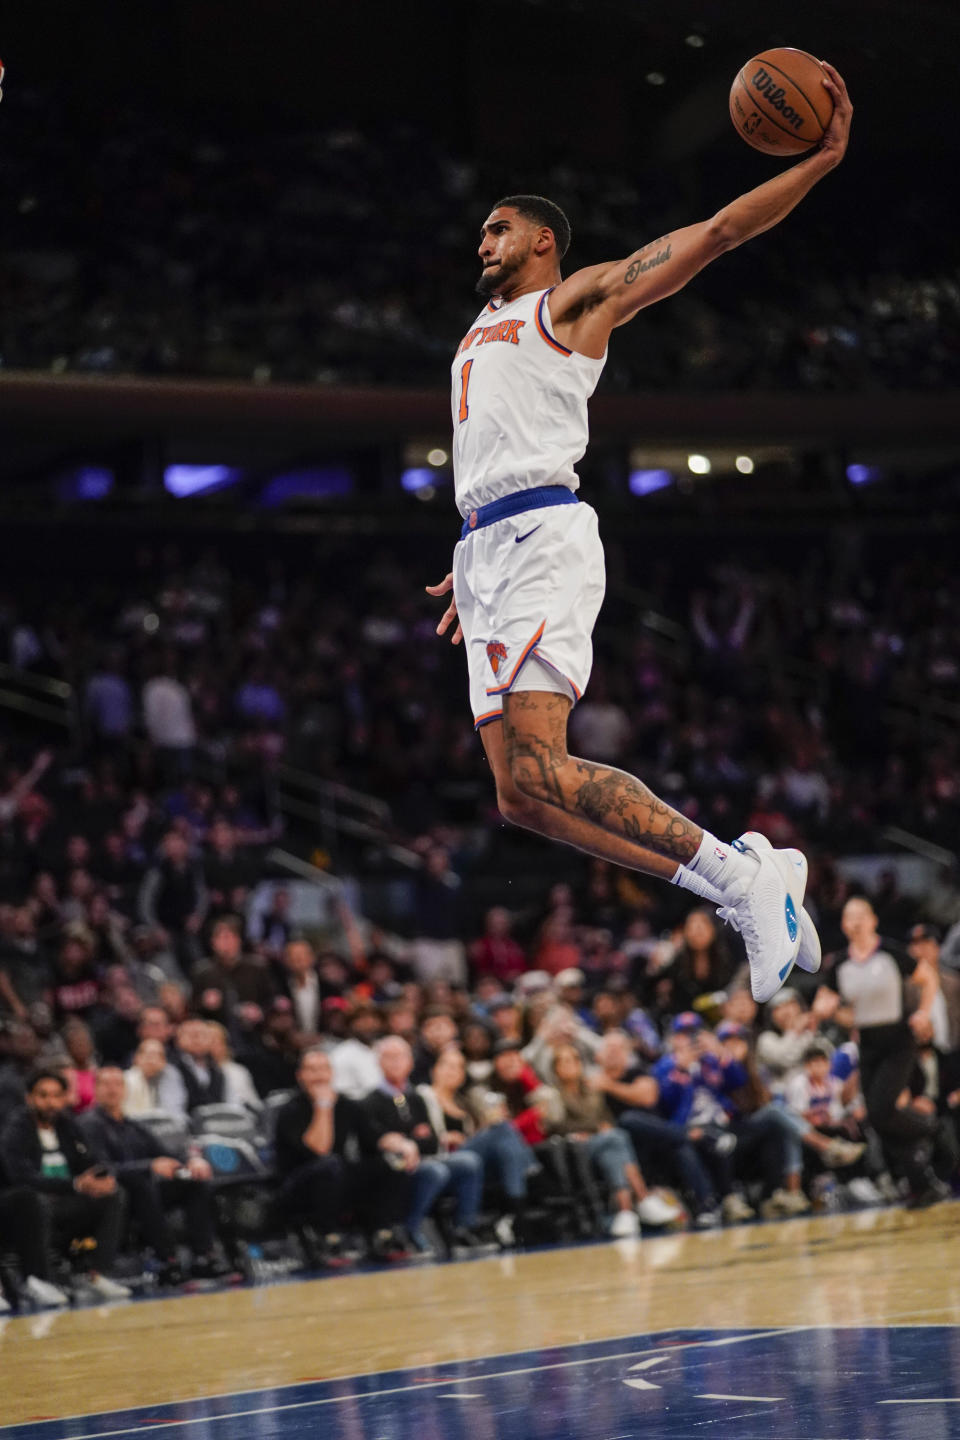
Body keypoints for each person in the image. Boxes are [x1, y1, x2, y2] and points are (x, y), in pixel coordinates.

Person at [425, 67, 855, 1003]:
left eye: (499, 227)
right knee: (520, 796)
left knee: (544, 760)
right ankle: (744, 882)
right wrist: (468, 556)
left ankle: (746, 878)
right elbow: (488, 451)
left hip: (543, 537)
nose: (482, 240)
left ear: (542, 241)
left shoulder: (571, 302)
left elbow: (716, 235)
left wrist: (820, 160)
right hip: (488, 547)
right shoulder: (478, 330)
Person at [816, 896, 954, 1205]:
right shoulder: (840, 964)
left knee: (881, 1108)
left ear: (872, 920)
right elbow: (826, 1003)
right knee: (879, 1119)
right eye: (849, 918)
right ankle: (923, 1182)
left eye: (860, 916)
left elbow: (928, 978)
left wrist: (922, 1013)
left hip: (898, 1040)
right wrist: (829, 1010)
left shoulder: (891, 952)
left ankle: (932, 1129)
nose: (855, 923)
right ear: (843, 925)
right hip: (867, 1042)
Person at [80, 1067, 222, 1285]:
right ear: (96, 1089)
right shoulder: (89, 1124)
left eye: (118, 1084)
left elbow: (167, 1154)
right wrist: (149, 1166)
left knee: (194, 1184)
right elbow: (102, 1167)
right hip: (117, 1194)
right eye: (106, 1084)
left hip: (146, 1192)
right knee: (142, 1184)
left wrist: (191, 1160)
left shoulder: (132, 1125)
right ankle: (167, 1260)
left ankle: (204, 1256)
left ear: (125, 1089)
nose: (113, 1090)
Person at [0, 1069, 130, 1300]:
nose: (51, 1103)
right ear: (30, 1098)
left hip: (64, 1204)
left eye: (56, 1096)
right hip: (26, 1208)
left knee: (113, 1194)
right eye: (43, 1095)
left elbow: (91, 1161)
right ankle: (37, 1279)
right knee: (31, 1199)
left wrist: (102, 1178)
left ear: (64, 1098)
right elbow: (21, 1177)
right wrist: (76, 1185)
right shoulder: (16, 1129)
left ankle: (95, 1274)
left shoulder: (68, 1126)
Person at [360, 1036, 485, 1257]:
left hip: (423, 1160)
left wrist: (411, 1141)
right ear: (378, 1062)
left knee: (468, 1162)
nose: (396, 1062)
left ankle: (463, 1228)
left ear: (411, 1061)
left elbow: (432, 1140)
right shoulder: (370, 1102)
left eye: (401, 1056)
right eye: (389, 1057)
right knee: (434, 1170)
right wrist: (411, 1140)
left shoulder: (415, 1097)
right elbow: (373, 1141)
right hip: (392, 1168)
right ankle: (411, 1228)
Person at [548, 1043, 681, 1235]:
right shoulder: (553, 1094)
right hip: (575, 1147)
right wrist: (595, 1129)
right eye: (566, 1061)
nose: (573, 1064)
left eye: (576, 1059)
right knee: (617, 1139)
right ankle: (643, 1199)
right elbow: (557, 1125)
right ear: (556, 1068)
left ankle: (626, 1212)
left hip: (603, 1143)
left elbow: (606, 1118)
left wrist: (605, 1128)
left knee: (614, 1145)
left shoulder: (592, 1089)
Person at [124, 1037, 189, 1117]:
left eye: (157, 1055)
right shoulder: (126, 1080)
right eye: (147, 1055)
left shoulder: (170, 1075)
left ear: (164, 1061)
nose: (152, 1060)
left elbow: (175, 1109)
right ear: (136, 1058)